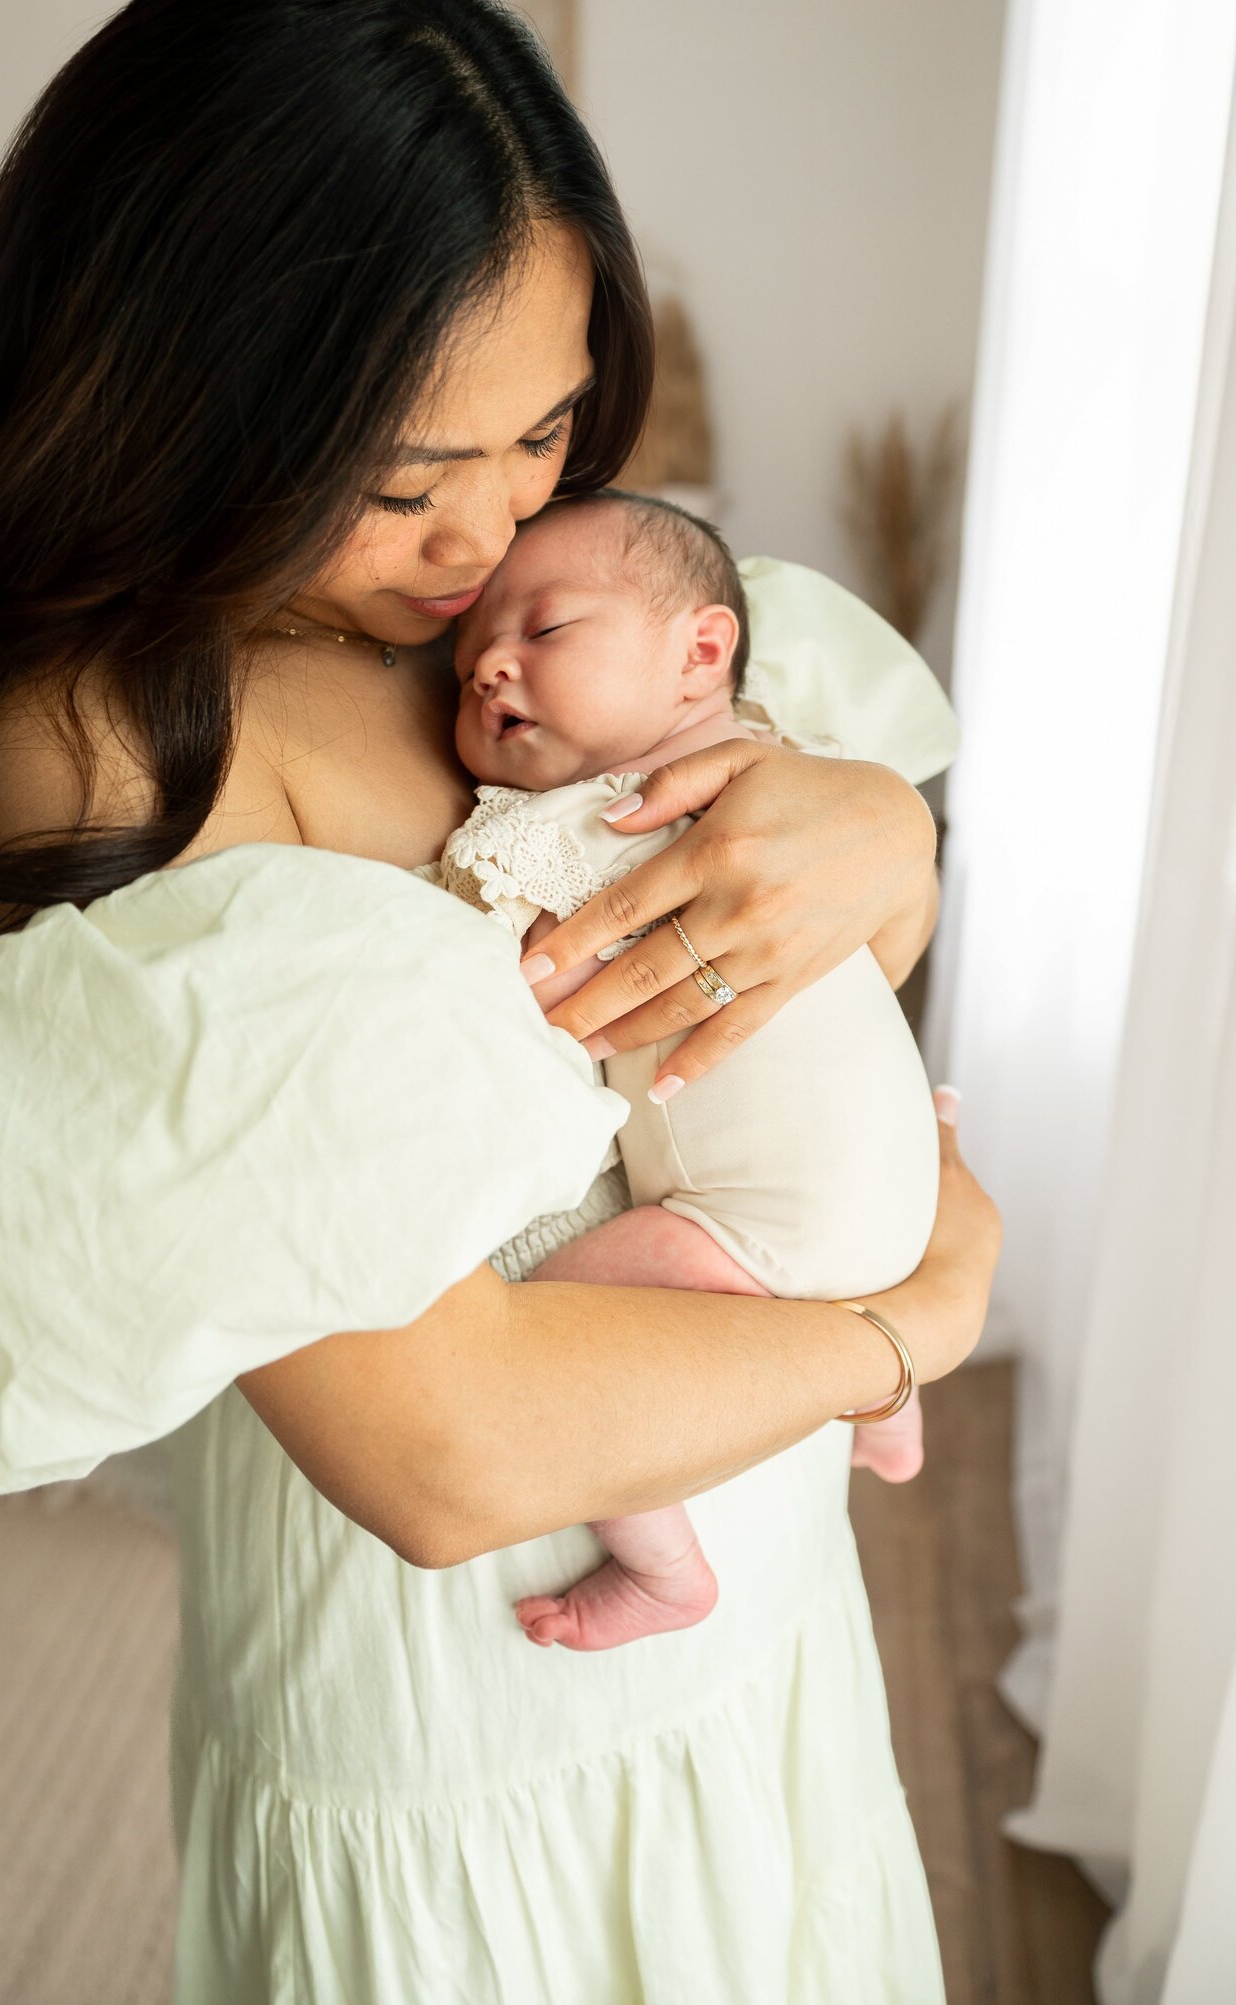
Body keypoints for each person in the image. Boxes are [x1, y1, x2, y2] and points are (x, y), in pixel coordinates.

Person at [0, 0, 999, 2004]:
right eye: (406, 473)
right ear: (186, 397)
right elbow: (452, 1454)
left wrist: (868, 832)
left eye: (540, 437)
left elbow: (813, 933)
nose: (485, 537)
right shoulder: (113, 739)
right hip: (458, 1728)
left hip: (750, 1611)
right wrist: (915, 1314)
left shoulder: (523, 609)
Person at [437, 488, 937, 1653]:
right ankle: (891, 1399)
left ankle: (661, 1566)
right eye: (465, 664)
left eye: (543, 631)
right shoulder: (785, 776)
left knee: (546, 1344)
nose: (489, 671)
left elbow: (528, 995)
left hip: (764, 1226)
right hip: (891, 1175)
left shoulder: (597, 825)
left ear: (700, 651)